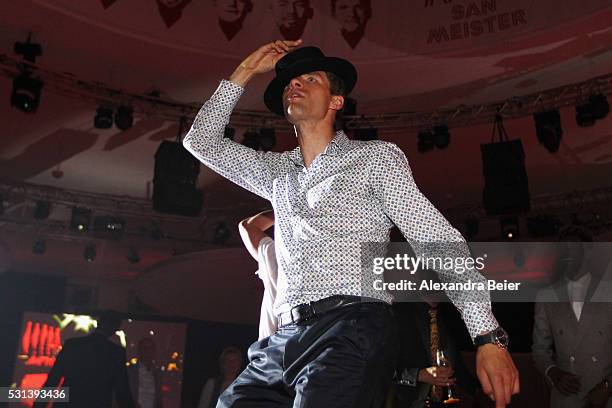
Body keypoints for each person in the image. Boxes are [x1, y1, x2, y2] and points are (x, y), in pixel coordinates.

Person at [182, 40, 519, 407]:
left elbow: (436, 237)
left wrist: (487, 336)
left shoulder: (373, 159)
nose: (295, 84)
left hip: (353, 326)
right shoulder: (276, 172)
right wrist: (245, 71)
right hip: (286, 336)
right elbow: (201, 141)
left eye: (310, 79)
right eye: (290, 82)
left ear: (336, 101)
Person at [532, 226, 612, 408]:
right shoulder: (546, 296)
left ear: (588, 252)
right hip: (566, 397)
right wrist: (552, 372)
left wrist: (608, 386)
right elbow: (539, 349)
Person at [34, 311, 134, 408]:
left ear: (98, 323)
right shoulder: (116, 352)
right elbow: (122, 390)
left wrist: (39, 405)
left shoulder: (72, 345)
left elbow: (53, 379)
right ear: (115, 329)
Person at [238, 210, 278, 340]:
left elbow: (248, 226)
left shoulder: (279, 258)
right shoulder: (278, 257)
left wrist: (286, 209)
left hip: (274, 348)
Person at [127, 338, 164, 408]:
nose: (147, 350)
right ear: (139, 351)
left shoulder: (158, 374)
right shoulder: (130, 371)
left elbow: (159, 399)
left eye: (150, 347)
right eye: (144, 348)